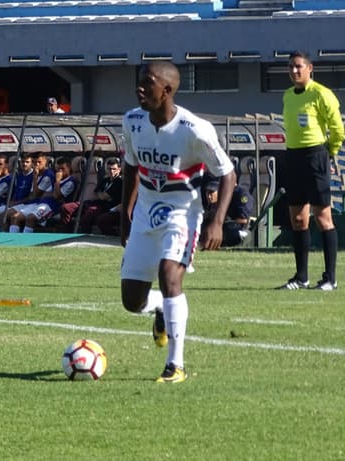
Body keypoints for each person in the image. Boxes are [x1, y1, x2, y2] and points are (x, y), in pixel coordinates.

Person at [120, 62, 236, 384]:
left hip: (182, 212)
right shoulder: (132, 121)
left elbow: (227, 173)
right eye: (139, 83)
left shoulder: (195, 129)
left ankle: (176, 364)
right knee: (132, 301)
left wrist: (217, 221)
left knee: (170, 275)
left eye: (148, 83)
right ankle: (159, 308)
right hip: (145, 211)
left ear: (167, 90)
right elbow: (131, 167)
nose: (139, 89)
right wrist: (125, 215)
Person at [278, 51, 344, 291]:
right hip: (293, 156)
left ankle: (330, 278)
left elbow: (338, 129)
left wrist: (329, 151)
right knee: (298, 219)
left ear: (309, 68)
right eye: (291, 68)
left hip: (316, 156)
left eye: (298, 67)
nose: (294, 71)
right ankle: (301, 276)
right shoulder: (287, 96)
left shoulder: (322, 94)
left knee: (323, 217)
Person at [61, 156, 123, 233]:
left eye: (114, 169)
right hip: (92, 202)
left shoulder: (119, 182)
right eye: (109, 169)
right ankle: (67, 231)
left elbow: (104, 197)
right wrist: (101, 194)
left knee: (89, 213)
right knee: (66, 207)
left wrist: (101, 194)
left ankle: (84, 235)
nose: (111, 171)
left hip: (105, 207)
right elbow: (96, 192)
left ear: (119, 170)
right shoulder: (105, 180)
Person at [18, 156, 77, 233]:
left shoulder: (70, 182)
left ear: (69, 168)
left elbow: (57, 196)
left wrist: (58, 182)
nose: (60, 171)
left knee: (31, 218)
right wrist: (53, 191)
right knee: (18, 216)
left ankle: (25, 240)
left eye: (63, 169)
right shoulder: (55, 180)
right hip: (42, 203)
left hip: (53, 206)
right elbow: (45, 194)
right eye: (58, 169)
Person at [0, 153, 34, 232]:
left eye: (27, 162)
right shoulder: (18, 176)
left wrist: (16, 202)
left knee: (3, 216)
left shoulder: (33, 176)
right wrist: (12, 201)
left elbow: (32, 196)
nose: (24, 164)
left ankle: (8, 238)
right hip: (15, 203)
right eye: (22, 162)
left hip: (25, 204)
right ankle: (1, 234)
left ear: (32, 164)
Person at [201, 176, 254, 247]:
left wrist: (222, 219)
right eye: (208, 193)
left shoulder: (241, 194)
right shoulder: (216, 199)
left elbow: (244, 220)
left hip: (238, 228)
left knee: (230, 231)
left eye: (212, 192)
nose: (209, 196)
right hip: (224, 225)